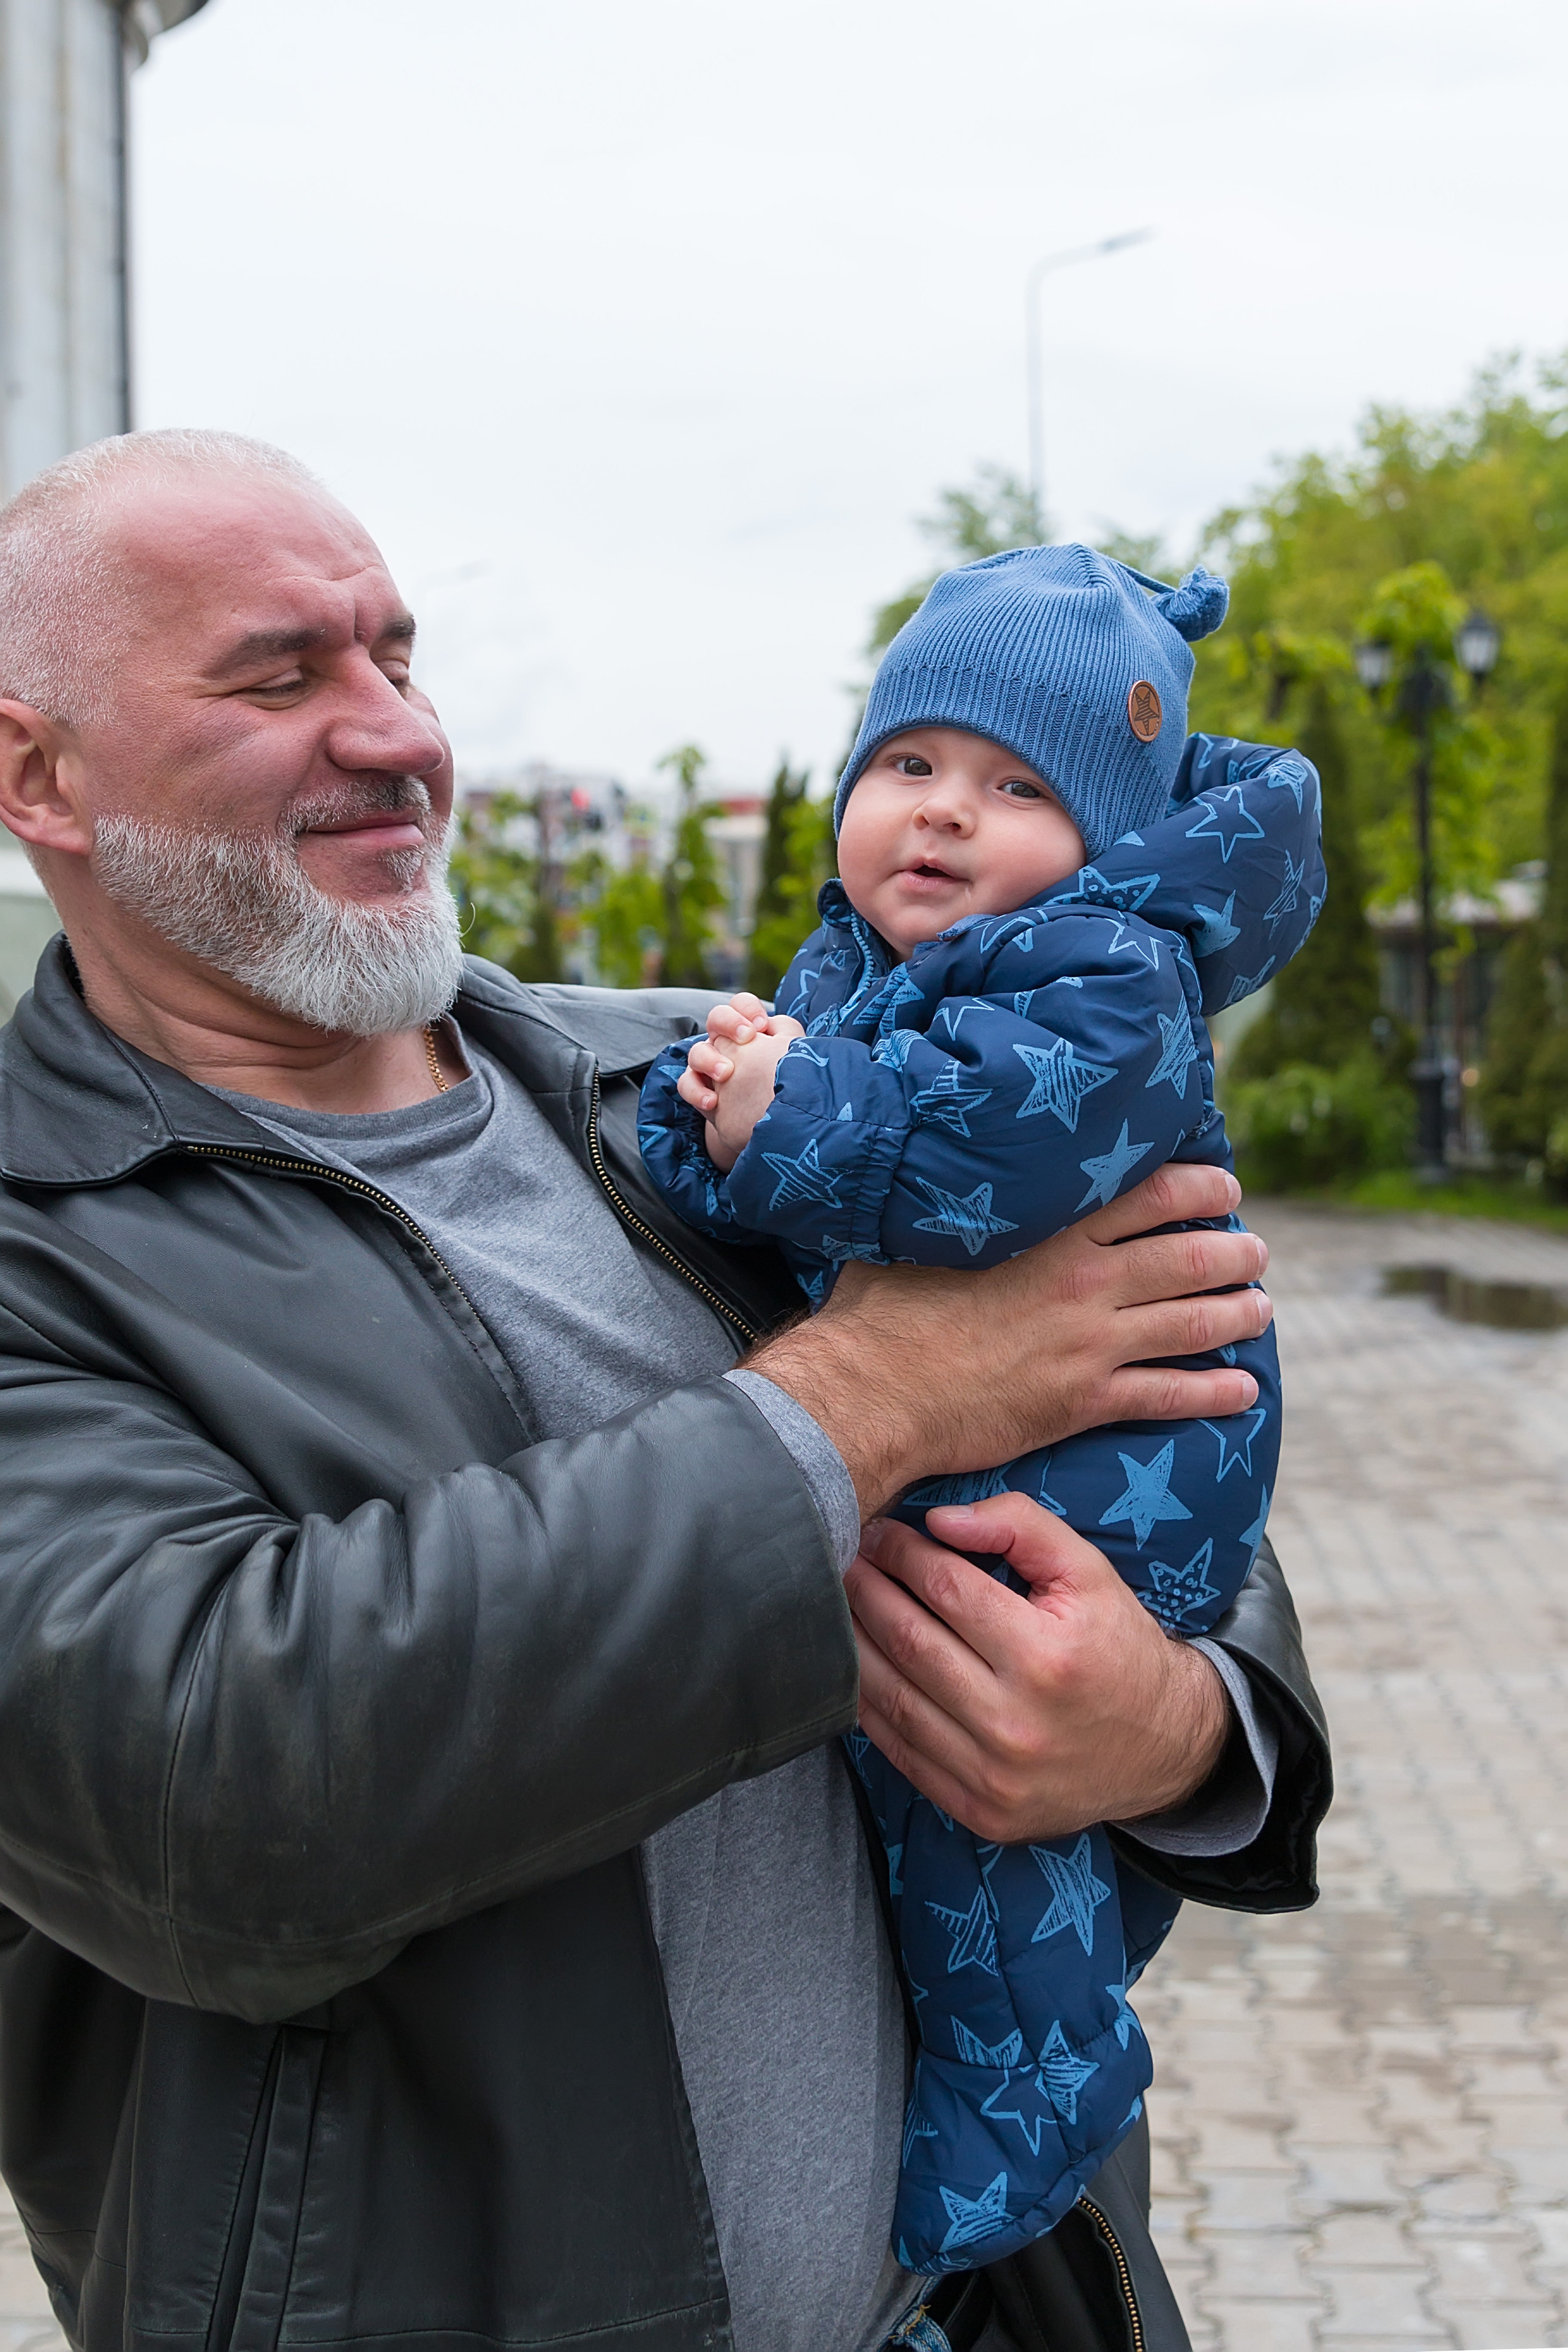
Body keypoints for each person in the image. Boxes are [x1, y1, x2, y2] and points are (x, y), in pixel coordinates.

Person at [0, 431, 1329, 2352]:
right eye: (283, 677)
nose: (394, 736)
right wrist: (871, 1397)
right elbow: (220, 1796)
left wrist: (1179, 1725)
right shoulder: (41, 1246)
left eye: (399, 656)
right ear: (37, 770)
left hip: (979, 2309)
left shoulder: (687, 1090)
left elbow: (1149, 1444)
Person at [638, 544, 1324, 2277]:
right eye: (909, 766)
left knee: (967, 1769)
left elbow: (974, 1161)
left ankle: (1041, 2086)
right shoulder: (856, 970)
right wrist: (702, 1104)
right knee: (949, 1744)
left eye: (1020, 789)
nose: (945, 816)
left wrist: (786, 1119)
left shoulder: (1107, 972)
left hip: (1120, 1473)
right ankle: (1018, 2043)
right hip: (1015, 1451)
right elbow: (777, 1175)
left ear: (1106, 835)